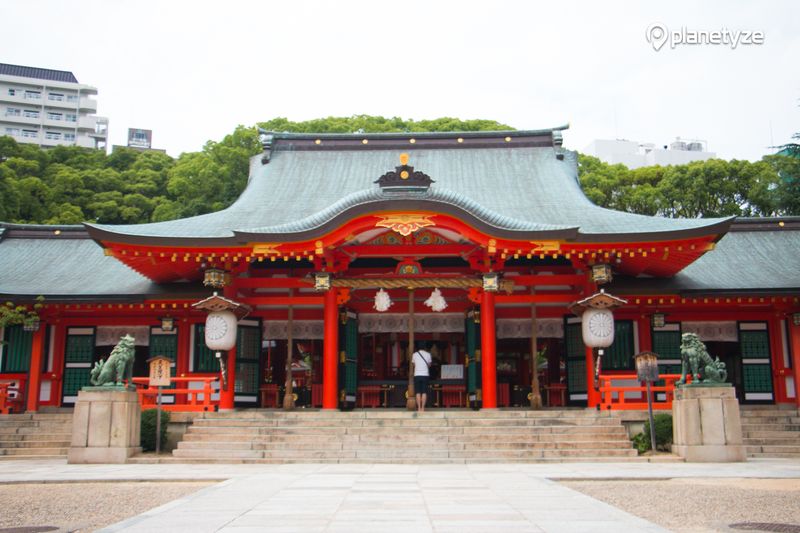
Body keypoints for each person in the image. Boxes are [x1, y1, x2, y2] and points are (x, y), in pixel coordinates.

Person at [412, 344, 432, 412]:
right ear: (425, 347)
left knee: (418, 392)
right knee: (424, 392)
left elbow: (414, 365)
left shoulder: (414, 354)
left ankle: (419, 408)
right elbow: (429, 365)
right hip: (425, 375)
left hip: (417, 375)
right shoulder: (428, 354)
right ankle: (423, 408)